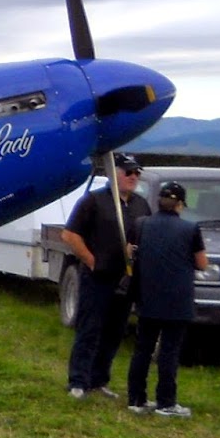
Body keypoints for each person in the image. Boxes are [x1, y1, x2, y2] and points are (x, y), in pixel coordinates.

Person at [62, 153, 151, 400]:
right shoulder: (93, 201)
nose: (133, 177)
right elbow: (70, 235)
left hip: (126, 279)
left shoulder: (141, 205)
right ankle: (77, 380)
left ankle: (99, 379)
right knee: (89, 328)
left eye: (137, 173)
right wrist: (90, 260)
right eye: (128, 172)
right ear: (115, 173)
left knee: (114, 331)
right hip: (97, 277)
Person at [127, 181, 207, 418]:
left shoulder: (141, 224)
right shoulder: (191, 229)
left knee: (142, 349)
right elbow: (202, 263)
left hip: (147, 294)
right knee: (169, 352)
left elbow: (130, 252)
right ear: (180, 204)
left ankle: (136, 399)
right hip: (177, 299)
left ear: (159, 202)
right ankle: (166, 402)